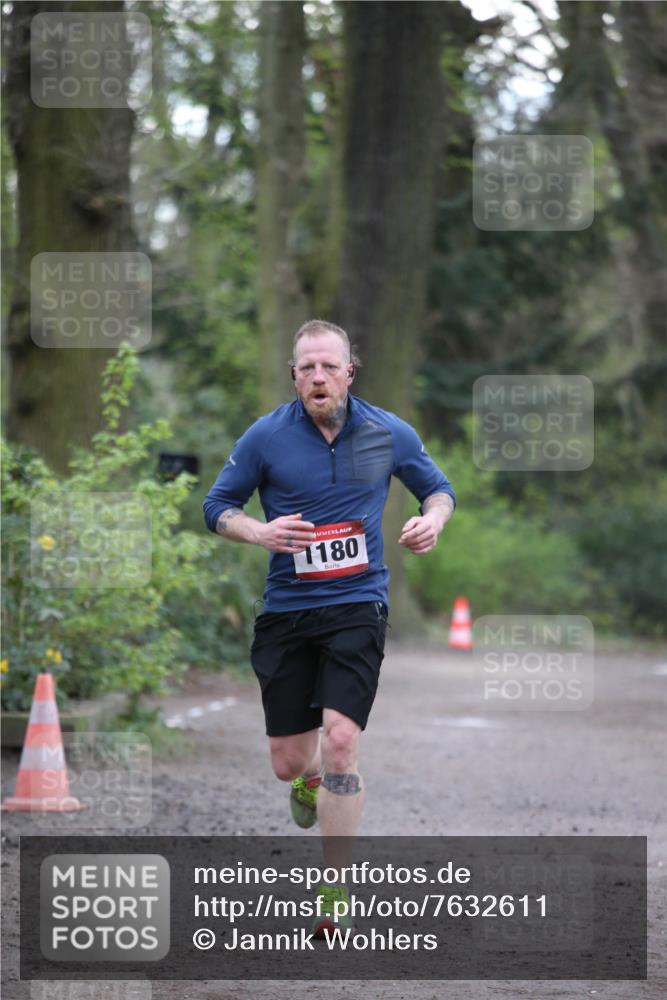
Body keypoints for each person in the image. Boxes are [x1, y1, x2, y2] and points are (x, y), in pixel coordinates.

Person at [203, 319, 455, 935]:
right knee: (289, 762)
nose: (318, 377)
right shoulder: (266, 436)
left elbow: (439, 489)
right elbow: (217, 507)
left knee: (343, 738)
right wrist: (259, 532)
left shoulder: (387, 431)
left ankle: (334, 889)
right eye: (306, 368)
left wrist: (434, 521)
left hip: (357, 604)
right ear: (294, 376)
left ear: (350, 370)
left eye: (328, 366)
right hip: (288, 608)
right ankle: (310, 779)